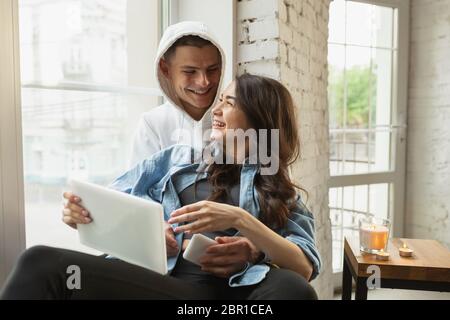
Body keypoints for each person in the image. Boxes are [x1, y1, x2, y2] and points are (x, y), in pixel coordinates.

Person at [0, 74, 321, 300]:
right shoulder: (175, 162)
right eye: (218, 101)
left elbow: (304, 267)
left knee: (294, 289)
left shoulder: (284, 198)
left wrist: (244, 226)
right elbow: (107, 204)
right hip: (154, 283)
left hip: (224, 296)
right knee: (40, 262)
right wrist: (79, 212)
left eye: (229, 102)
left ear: (259, 118)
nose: (216, 110)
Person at [130, 21, 226, 167]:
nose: (204, 82)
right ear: (165, 69)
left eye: (212, 69)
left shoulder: (239, 116)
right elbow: (136, 187)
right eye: (190, 71)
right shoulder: (153, 125)